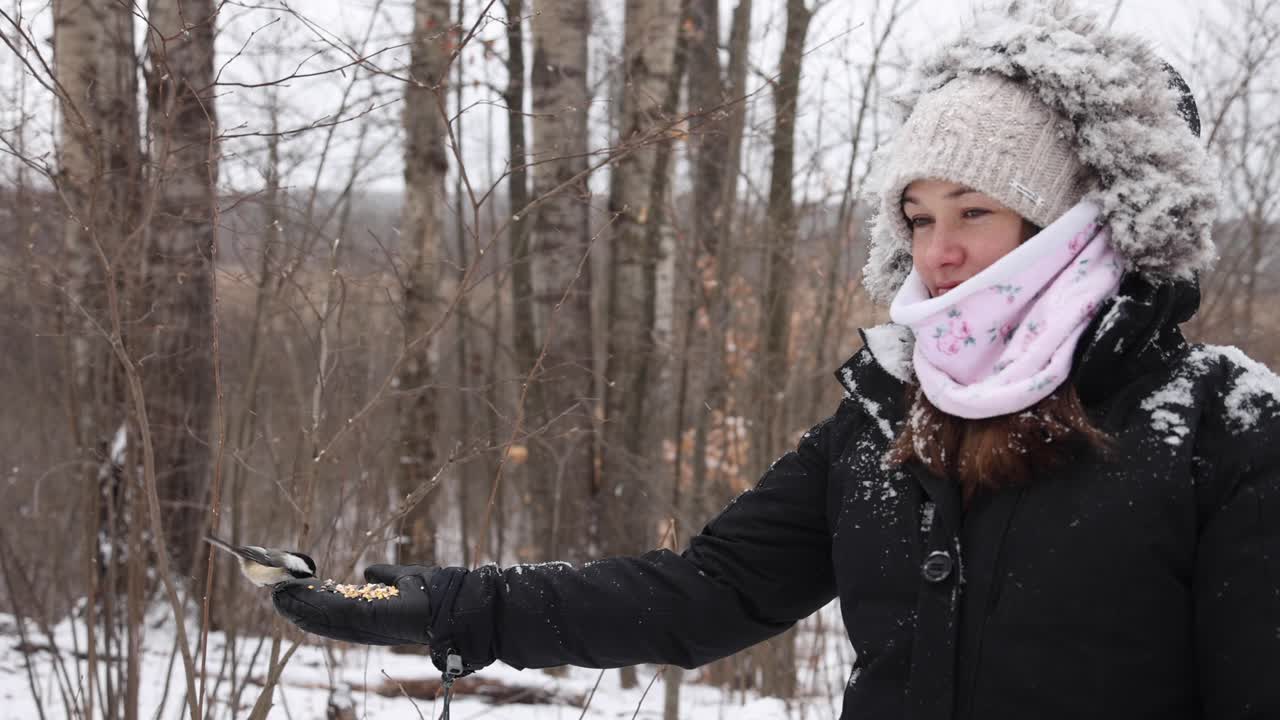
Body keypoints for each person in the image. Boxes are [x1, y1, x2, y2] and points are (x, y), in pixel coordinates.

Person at [272, 2, 1280, 718]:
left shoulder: (1221, 425)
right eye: (918, 216)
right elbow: (705, 591)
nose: (937, 251)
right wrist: (452, 607)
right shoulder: (890, 415)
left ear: (1075, 224)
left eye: (974, 212)